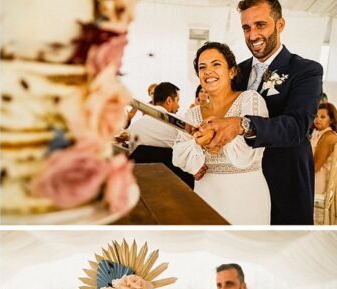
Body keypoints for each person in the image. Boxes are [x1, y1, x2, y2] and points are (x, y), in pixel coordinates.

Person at [200, 0, 323, 225]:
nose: (253, 34)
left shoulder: (306, 70)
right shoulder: (237, 71)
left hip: (284, 180)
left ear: (280, 24)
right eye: (246, 28)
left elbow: (297, 126)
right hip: (241, 185)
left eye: (260, 25)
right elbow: (220, 114)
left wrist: (243, 124)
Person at [173, 42, 270, 224]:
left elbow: (248, 152)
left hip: (246, 197)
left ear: (232, 72)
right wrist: (195, 157)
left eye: (216, 64)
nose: (208, 71)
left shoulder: (250, 100)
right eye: (202, 67)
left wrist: (206, 141)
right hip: (205, 195)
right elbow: (179, 155)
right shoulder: (192, 114)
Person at [127, 82, 182, 152]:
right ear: (169, 101)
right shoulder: (178, 129)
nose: (178, 106)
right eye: (177, 101)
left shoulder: (134, 127)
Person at [312, 102, 337, 224]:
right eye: (316, 116)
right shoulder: (318, 133)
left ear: (331, 120)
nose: (317, 120)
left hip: (318, 182)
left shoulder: (328, 137)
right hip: (317, 178)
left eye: (323, 117)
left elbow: (315, 167)